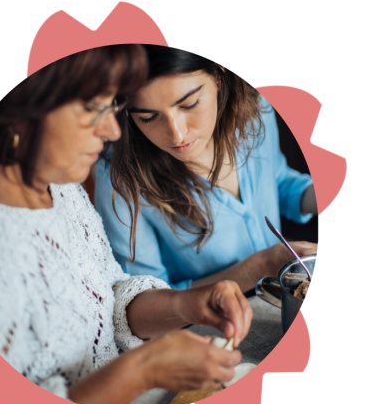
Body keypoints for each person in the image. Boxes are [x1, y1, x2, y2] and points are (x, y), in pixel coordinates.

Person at [0, 45, 252, 404]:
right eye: (92, 107)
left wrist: (185, 304)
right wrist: (142, 369)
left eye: (113, 104)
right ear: (19, 108)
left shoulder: (60, 186)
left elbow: (110, 298)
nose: (112, 129)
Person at [95, 45, 318, 293]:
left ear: (218, 76)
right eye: (148, 117)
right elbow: (147, 301)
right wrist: (259, 267)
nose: (177, 135)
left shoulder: (256, 107)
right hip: (205, 329)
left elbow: (277, 181)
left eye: (189, 104)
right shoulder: (119, 182)